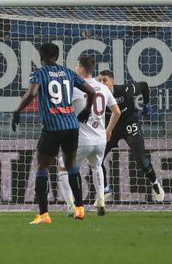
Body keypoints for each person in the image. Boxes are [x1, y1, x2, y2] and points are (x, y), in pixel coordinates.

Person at [12, 43, 96, 225]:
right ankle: (80, 209)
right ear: (57, 56)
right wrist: (87, 111)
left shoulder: (39, 73)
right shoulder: (68, 73)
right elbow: (91, 91)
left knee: (42, 168)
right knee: (71, 165)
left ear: (41, 56)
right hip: (71, 125)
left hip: (52, 127)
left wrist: (17, 111)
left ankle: (43, 215)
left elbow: (31, 94)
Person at [57, 55, 121, 217]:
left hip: (81, 139)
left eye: (77, 66)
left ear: (81, 69)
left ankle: (71, 205)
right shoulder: (104, 88)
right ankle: (100, 200)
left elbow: (61, 108)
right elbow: (117, 112)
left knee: (63, 166)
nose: (75, 68)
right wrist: (109, 130)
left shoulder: (76, 88)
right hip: (100, 139)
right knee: (96, 166)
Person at [98, 70, 165, 202]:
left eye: (104, 80)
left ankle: (155, 184)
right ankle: (106, 189)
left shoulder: (126, 90)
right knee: (96, 159)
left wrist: (146, 104)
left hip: (129, 125)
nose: (102, 83)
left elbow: (144, 85)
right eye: (99, 80)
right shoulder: (97, 95)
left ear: (112, 81)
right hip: (111, 129)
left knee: (141, 160)